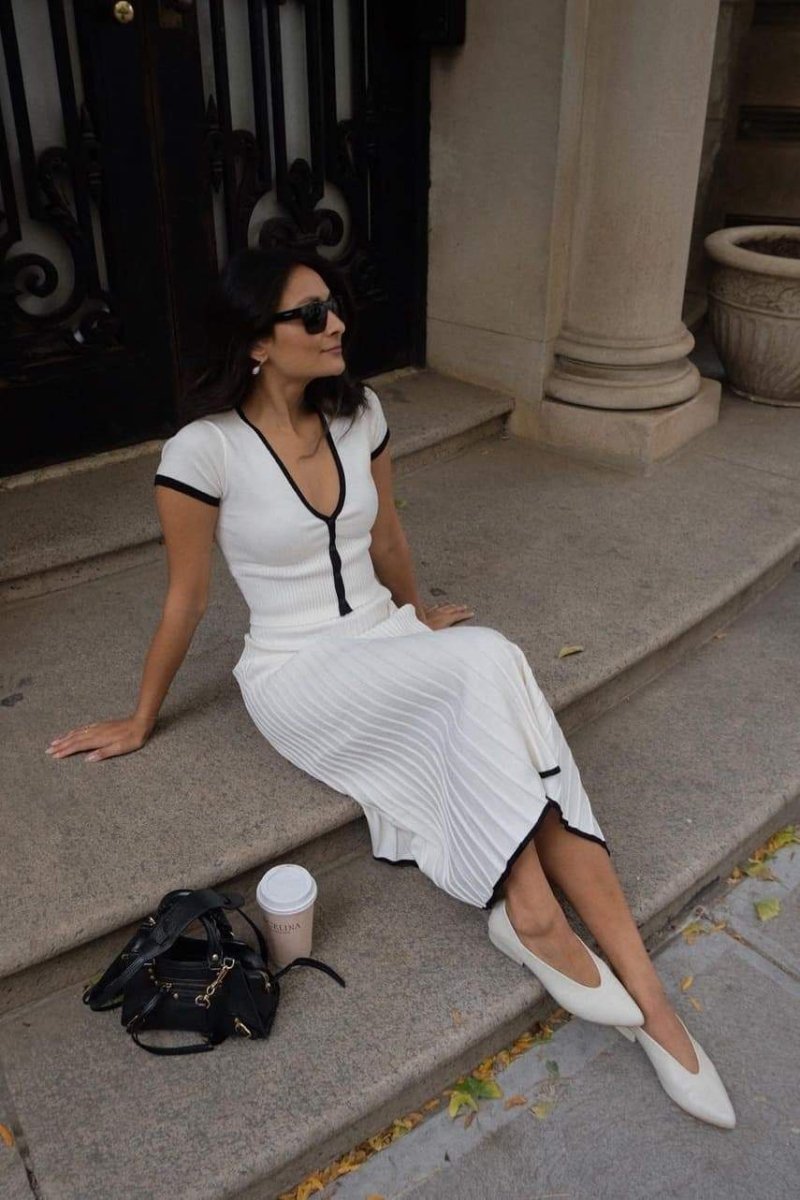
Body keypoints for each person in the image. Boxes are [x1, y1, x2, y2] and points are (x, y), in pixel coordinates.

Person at [47, 246, 735, 1128]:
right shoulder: (203, 451)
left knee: (488, 669)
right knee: (488, 665)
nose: (336, 323)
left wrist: (417, 614)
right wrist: (142, 717)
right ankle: (535, 918)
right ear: (255, 341)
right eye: (310, 315)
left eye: (334, 305)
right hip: (297, 672)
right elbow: (187, 598)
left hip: (386, 637)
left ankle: (652, 1008)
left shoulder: (360, 413)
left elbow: (388, 539)